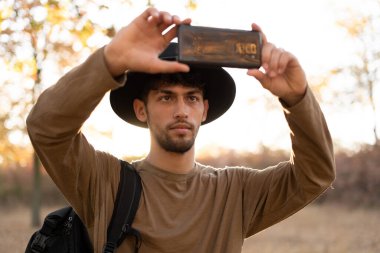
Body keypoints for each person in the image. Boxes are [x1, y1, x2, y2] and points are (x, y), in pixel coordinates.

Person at [26, 7, 336, 253]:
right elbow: (46, 127)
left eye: (192, 98)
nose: (181, 110)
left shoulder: (235, 191)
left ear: (204, 110)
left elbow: (315, 175)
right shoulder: (105, 182)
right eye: (166, 97)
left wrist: (296, 98)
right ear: (141, 110)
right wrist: (110, 61)